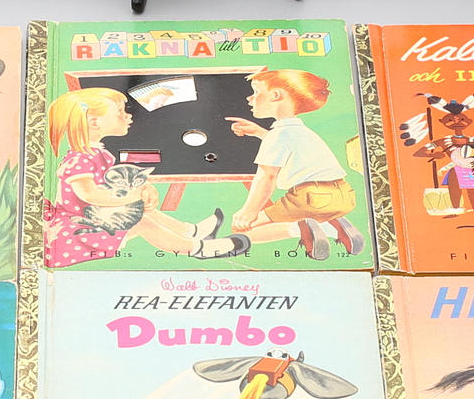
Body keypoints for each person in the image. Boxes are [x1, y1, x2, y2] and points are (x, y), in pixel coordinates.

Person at [44, 88, 244, 266]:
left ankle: (190, 231)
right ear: (94, 122)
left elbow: (109, 184)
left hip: (96, 217)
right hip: (80, 230)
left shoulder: (95, 152)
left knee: (141, 210)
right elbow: (89, 195)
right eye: (120, 112)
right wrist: (132, 197)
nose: (129, 116)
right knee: (143, 222)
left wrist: (142, 190)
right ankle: (198, 248)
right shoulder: (80, 158)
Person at [227, 69, 364, 261]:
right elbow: (292, 147)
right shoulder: (302, 131)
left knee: (243, 230)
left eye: (256, 92)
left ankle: (304, 228)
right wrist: (260, 133)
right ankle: (332, 223)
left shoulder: (277, 136)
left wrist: (248, 212)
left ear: (276, 95)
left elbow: (266, 177)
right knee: (307, 210)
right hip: (344, 195)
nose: (250, 99)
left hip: (309, 199)